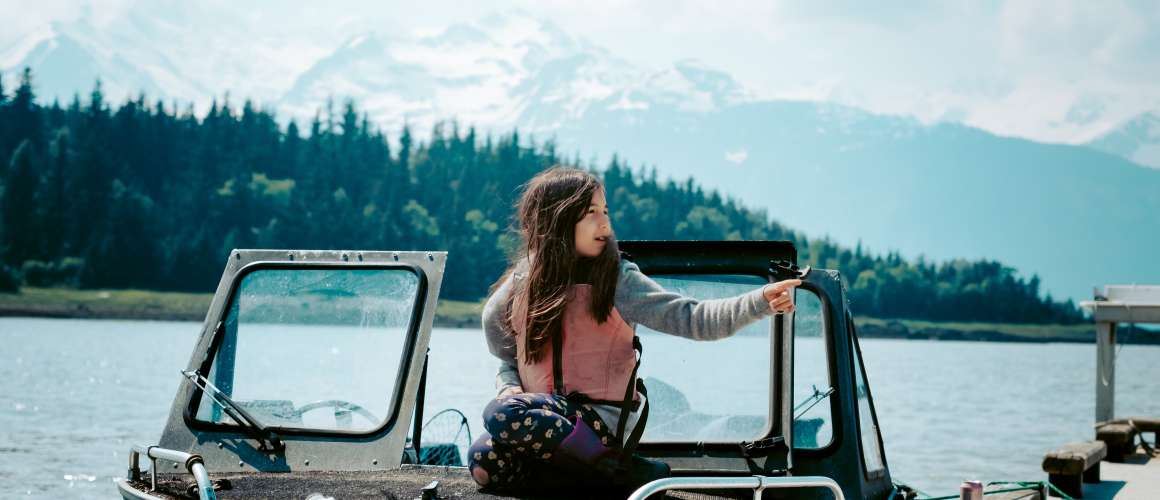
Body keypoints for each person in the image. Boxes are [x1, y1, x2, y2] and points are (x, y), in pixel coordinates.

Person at [467, 167, 800, 495]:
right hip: (543, 424)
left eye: (605, 211)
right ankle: (610, 477)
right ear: (556, 221)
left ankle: (614, 467)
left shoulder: (619, 279)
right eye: (591, 213)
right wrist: (509, 387)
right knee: (483, 461)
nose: (605, 223)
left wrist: (760, 301)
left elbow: (694, 318)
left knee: (503, 413)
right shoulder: (524, 282)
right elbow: (505, 350)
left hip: (601, 425)